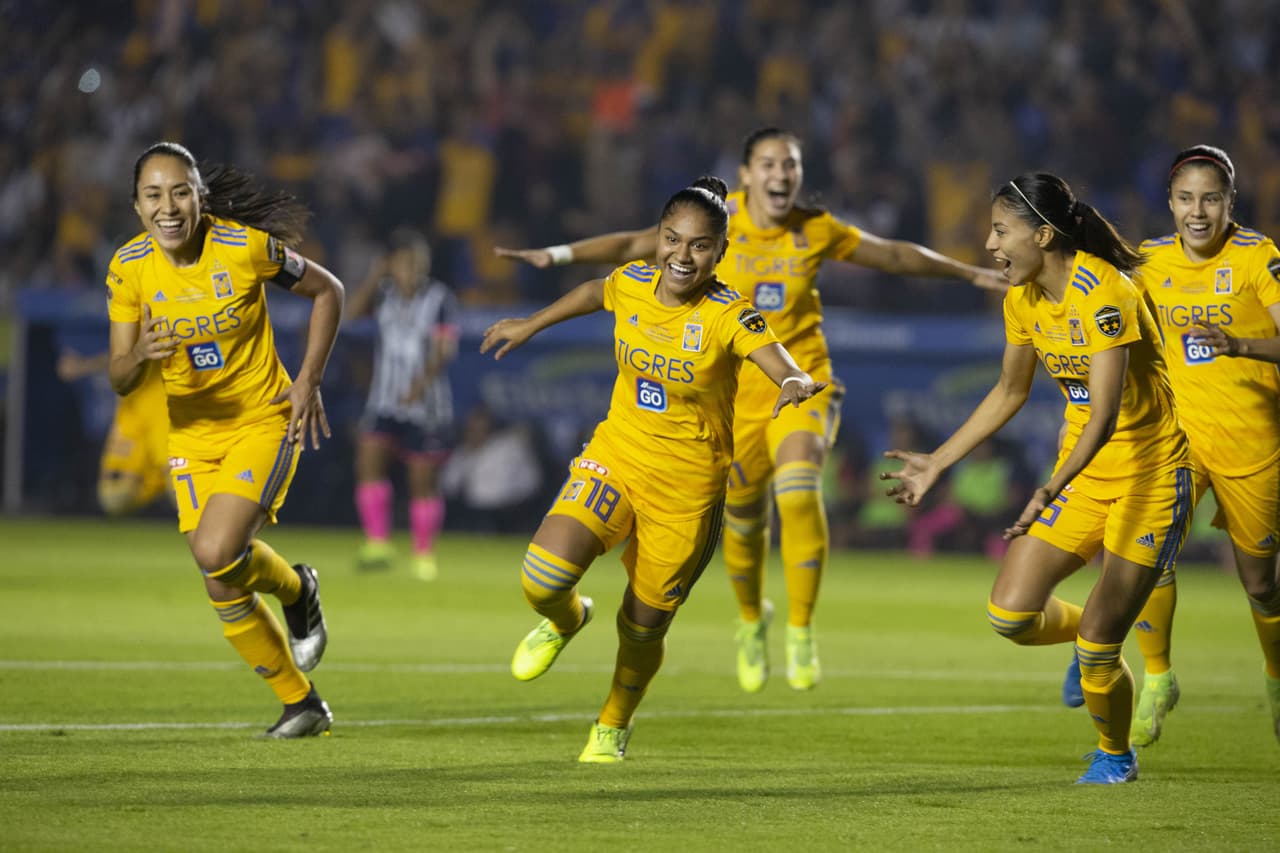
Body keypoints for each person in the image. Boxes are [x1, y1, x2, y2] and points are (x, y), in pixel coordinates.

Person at [496, 127, 1006, 694]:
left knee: (798, 487)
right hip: (729, 399)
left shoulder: (813, 229)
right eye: (769, 163)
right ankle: (749, 618)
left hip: (800, 383)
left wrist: (970, 272)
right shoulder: (709, 221)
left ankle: (801, 629)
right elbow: (623, 257)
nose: (781, 174)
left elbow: (892, 254)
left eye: (790, 164)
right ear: (746, 174)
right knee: (743, 517)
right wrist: (556, 255)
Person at [481, 176, 825, 762]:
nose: (682, 256)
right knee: (542, 578)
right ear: (659, 238)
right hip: (618, 455)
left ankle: (612, 723)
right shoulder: (634, 281)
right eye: (672, 239)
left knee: (641, 627)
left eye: (699, 245)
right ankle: (566, 621)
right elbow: (595, 291)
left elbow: (774, 355)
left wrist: (792, 380)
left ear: (720, 251)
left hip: (686, 493)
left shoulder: (727, 313)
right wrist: (531, 322)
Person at [882, 172, 1194, 784]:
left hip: (1151, 477)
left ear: (1044, 235)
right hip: (1085, 475)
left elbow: (1103, 416)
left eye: (1001, 231)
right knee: (1011, 615)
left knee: (1100, 647)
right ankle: (1091, 637)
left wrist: (1049, 486)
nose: (990, 245)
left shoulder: (1106, 292)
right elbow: (1008, 390)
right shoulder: (1021, 299)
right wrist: (938, 461)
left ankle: (1115, 755)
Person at [106, 141, 344, 738]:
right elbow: (119, 376)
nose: (167, 207)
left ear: (200, 197)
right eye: (153, 195)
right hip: (192, 432)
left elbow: (328, 291)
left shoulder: (243, 247)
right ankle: (301, 704)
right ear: (136, 206)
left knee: (215, 551)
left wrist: (308, 380)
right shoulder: (128, 267)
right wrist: (139, 354)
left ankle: (297, 590)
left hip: (264, 418)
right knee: (220, 577)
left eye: (179, 192)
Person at [1093, 145, 1280, 747]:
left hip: (1253, 442)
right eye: (1186, 199)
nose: (1198, 212)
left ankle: (1276, 675)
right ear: (1170, 203)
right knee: (1146, 555)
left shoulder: (1258, 257)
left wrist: (1239, 345)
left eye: (1210, 199)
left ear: (1230, 202)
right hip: (1176, 439)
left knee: (1260, 584)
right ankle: (1158, 675)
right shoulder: (1148, 260)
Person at [346, 227, 458, 580]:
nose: (414, 269)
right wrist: (373, 276)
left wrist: (420, 385)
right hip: (384, 399)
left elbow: (445, 349)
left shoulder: (439, 299)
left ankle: (423, 555)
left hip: (427, 405)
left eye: (419, 262)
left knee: (422, 481)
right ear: (392, 264)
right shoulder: (383, 295)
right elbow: (350, 316)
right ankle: (377, 544)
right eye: (406, 262)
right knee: (368, 461)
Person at [56, 349, 171, 515]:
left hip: (162, 406)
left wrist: (82, 366)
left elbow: (131, 355)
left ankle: (179, 505)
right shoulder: (122, 332)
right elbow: (122, 357)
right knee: (114, 497)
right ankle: (158, 496)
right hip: (132, 410)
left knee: (178, 482)